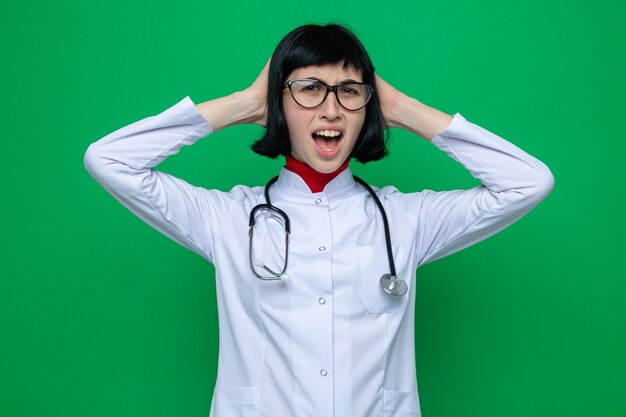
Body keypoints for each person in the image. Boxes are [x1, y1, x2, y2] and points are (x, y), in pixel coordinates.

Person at [84, 24, 554, 417]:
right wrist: (245, 103)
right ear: (279, 103)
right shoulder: (227, 217)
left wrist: (400, 110)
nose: (331, 110)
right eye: (309, 89)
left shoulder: (406, 219)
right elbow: (109, 160)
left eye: (349, 92)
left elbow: (528, 182)